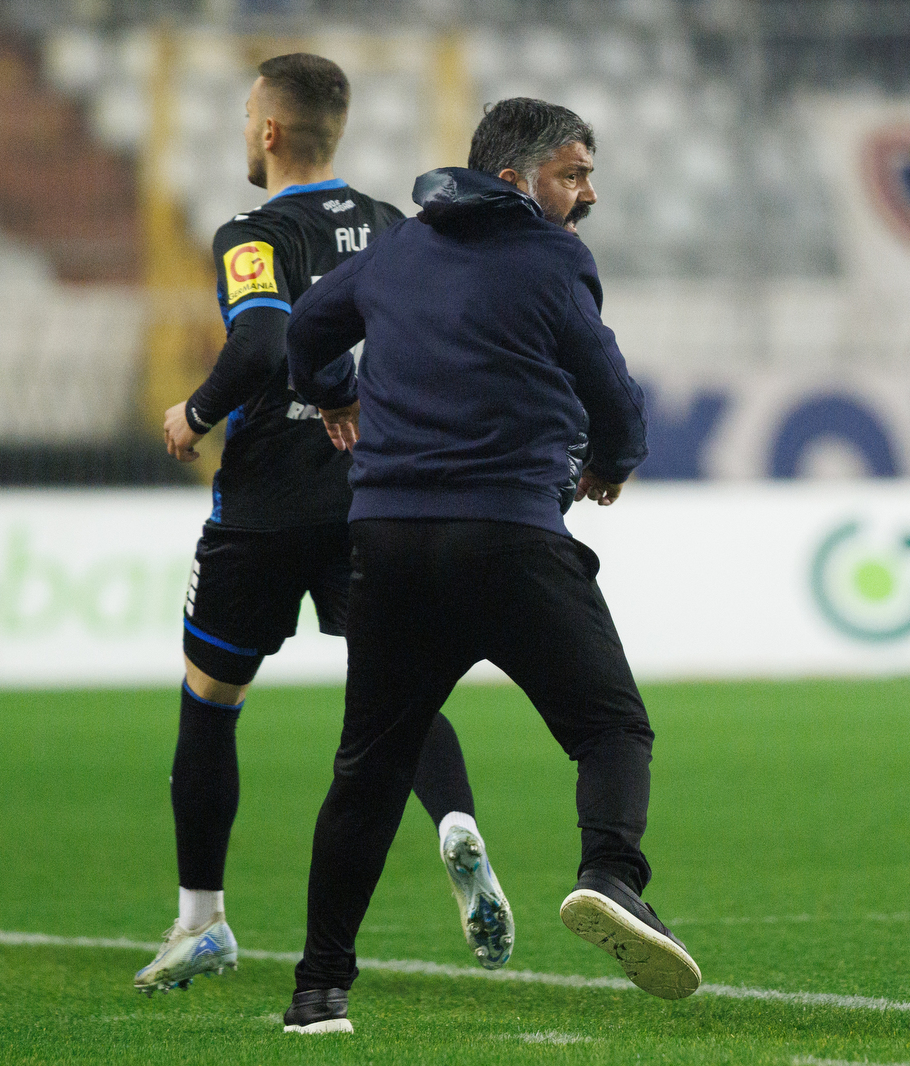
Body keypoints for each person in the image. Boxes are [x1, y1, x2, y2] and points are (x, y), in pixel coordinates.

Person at [277, 97, 699, 1036]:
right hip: (507, 538)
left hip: (387, 544)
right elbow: (613, 391)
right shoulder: (552, 258)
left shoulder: (395, 249)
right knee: (610, 729)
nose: (587, 195)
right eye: (572, 175)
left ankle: (318, 995)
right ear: (516, 178)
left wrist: (334, 396)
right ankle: (611, 878)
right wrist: (611, 463)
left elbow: (303, 334)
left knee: (370, 770)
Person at [137, 53, 512, 996]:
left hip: (263, 506)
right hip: (374, 494)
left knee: (210, 701)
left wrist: (194, 411)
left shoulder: (252, 232)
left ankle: (201, 922)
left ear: (267, 131)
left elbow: (262, 341)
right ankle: (456, 823)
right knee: (401, 689)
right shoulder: (397, 228)